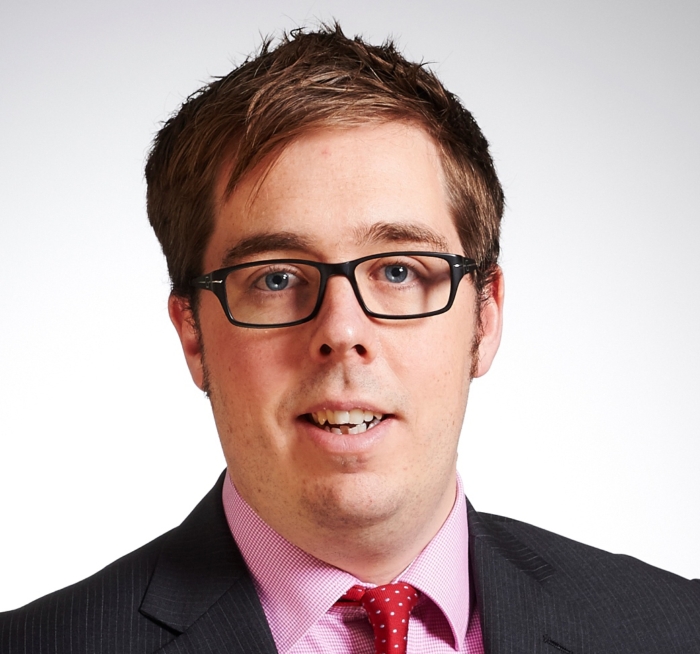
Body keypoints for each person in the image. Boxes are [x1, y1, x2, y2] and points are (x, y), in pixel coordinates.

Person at [1, 23, 698, 654]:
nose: (340, 331)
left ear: (485, 316)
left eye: (398, 270)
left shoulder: (675, 629)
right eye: (276, 278)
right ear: (192, 334)